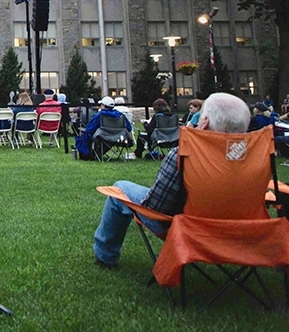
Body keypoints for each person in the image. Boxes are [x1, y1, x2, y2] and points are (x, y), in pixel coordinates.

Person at [92, 92, 250, 268]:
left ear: (204, 123)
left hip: (189, 228)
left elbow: (157, 207)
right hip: (239, 230)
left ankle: (105, 256)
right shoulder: (255, 159)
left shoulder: (183, 155)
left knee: (119, 189)